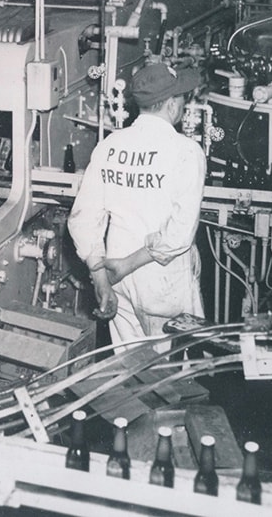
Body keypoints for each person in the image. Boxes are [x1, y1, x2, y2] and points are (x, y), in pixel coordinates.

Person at [67, 61, 206, 349]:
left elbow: (82, 220)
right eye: (181, 96)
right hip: (161, 281)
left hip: (116, 280)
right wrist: (128, 265)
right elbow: (178, 236)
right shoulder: (186, 151)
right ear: (170, 104)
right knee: (168, 380)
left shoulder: (109, 145)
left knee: (128, 371)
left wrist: (101, 279)